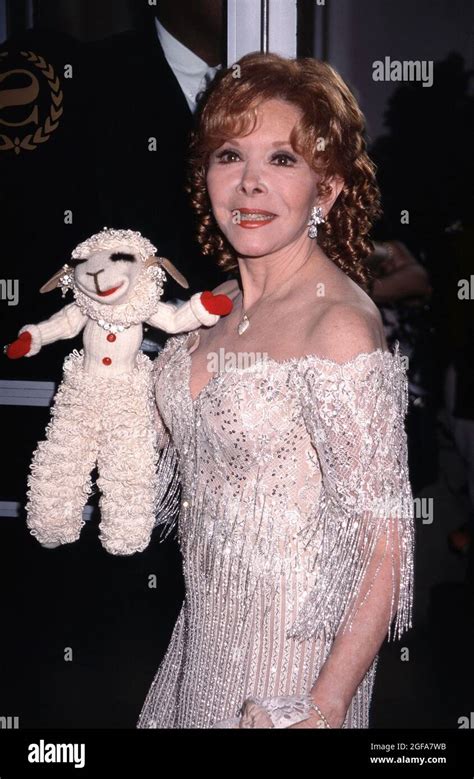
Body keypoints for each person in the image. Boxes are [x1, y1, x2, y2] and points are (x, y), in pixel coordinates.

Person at [137, 52, 415, 729]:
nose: (250, 184)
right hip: (198, 648)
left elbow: (384, 545)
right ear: (205, 177)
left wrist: (322, 705)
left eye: (283, 161)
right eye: (229, 156)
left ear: (327, 190)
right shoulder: (210, 307)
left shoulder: (338, 325)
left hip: (291, 673)